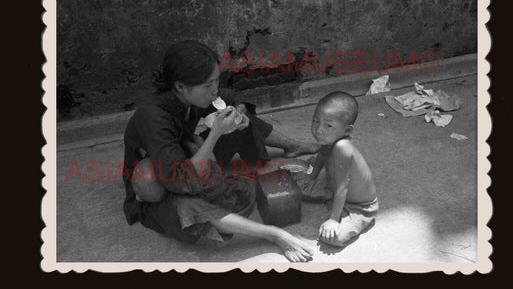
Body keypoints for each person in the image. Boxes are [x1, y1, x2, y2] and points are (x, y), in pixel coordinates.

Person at [122, 40, 318, 262]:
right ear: (179, 86)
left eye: (216, 80)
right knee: (189, 208)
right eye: (208, 85)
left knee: (235, 118)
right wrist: (214, 134)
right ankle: (274, 235)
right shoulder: (153, 117)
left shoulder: (193, 95)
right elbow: (177, 178)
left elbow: (230, 96)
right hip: (162, 184)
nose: (214, 89)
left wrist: (239, 112)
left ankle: (292, 145)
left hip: (188, 154)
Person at [293, 91, 378, 247]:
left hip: (359, 207)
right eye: (315, 121)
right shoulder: (328, 138)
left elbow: (343, 187)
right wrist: (312, 177)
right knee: (296, 185)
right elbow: (322, 153)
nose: (319, 130)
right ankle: (327, 196)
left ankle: (334, 207)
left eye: (328, 125)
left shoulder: (342, 147)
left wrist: (333, 219)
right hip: (333, 187)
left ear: (347, 131)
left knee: (333, 238)